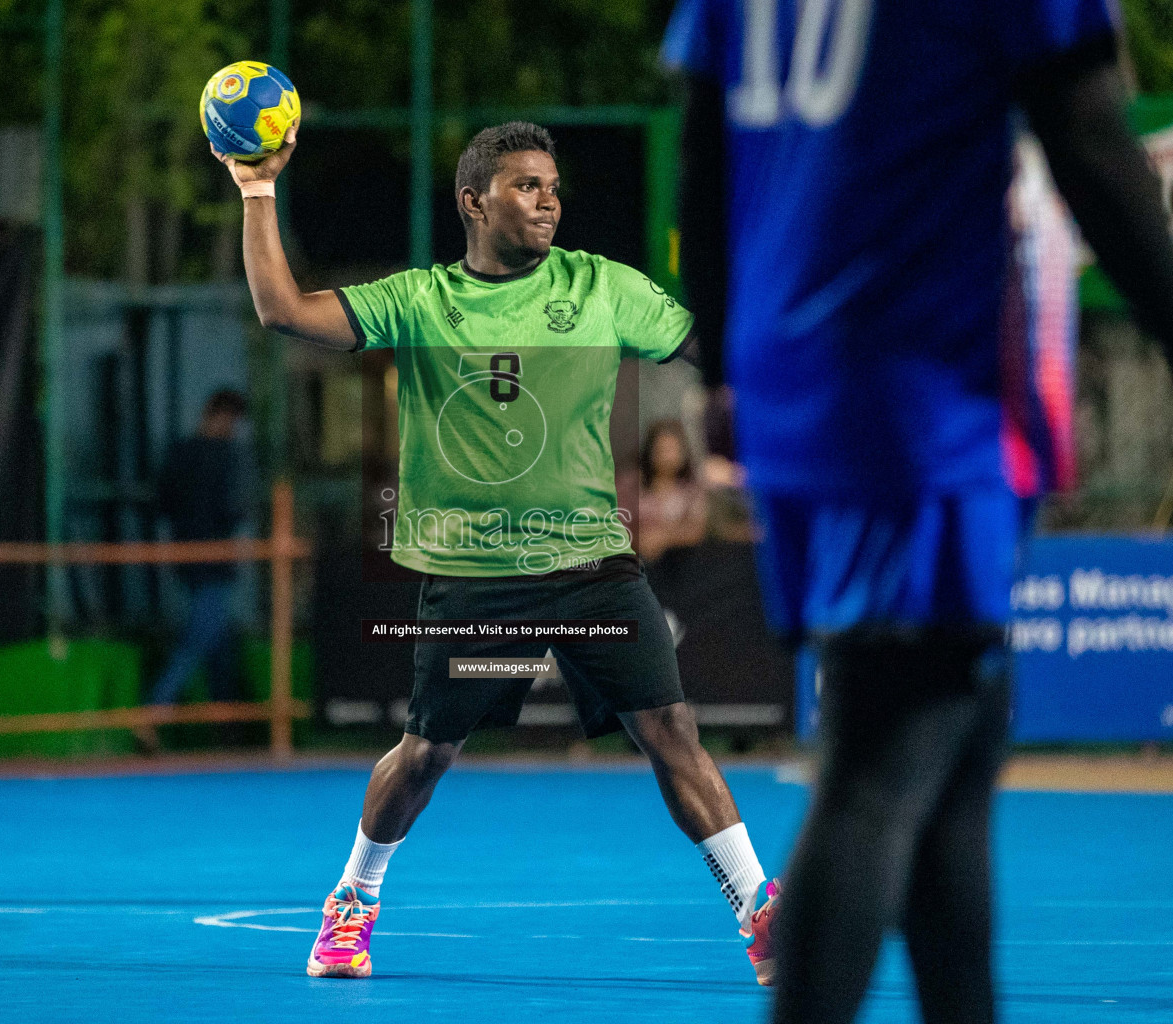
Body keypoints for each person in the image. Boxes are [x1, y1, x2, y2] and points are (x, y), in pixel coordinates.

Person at [661, 2, 1173, 1023]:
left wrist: (725, 372)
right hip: (920, 395)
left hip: (801, 372)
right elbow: (1085, 131)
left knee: (956, 763)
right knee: (882, 756)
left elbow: (703, 150)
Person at [215, 120, 782, 982]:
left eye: (553, 186)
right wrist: (257, 189)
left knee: (671, 729)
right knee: (426, 753)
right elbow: (281, 310)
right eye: (526, 185)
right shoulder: (420, 300)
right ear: (473, 202)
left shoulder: (604, 287)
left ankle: (760, 912)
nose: (548, 199)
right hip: (474, 573)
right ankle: (351, 904)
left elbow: (718, 347)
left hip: (593, 562)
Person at [139, 389, 256, 752]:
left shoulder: (181, 452)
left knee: (219, 644)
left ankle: (227, 729)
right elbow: (233, 509)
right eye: (231, 420)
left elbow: (161, 503)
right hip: (213, 561)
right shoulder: (221, 457)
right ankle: (151, 715)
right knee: (200, 639)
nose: (232, 428)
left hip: (187, 558)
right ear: (219, 415)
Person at [632, 419, 709, 562]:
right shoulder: (633, 486)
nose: (668, 457)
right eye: (662, 450)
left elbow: (697, 529)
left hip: (680, 568)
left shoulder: (691, 490)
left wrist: (664, 538)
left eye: (673, 449)